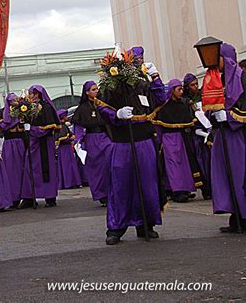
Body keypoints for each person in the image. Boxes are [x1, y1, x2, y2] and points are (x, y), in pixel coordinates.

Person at [96, 46, 167, 245]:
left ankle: (146, 224)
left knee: (147, 183)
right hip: (122, 142)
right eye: (134, 59)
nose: (138, 62)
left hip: (144, 140)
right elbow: (102, 107)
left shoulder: (145, 84)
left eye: (140, 59)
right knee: (121, 185)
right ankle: (116, 227)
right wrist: (116, 114)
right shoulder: (112, 85)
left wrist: (156, 77)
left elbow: (160, 100)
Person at [209, 44, 246, 233]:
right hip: (224, 136)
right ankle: (237, 217)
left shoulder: (245, 79)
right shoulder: (217, 80)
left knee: (243, 176)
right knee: (228, 176)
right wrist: (214, 114)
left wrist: (228, 116)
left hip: (241, 138)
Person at [153, 79, 208, 203]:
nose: (181, 92)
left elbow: (190, 121)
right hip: (169, 139)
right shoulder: (164, 107)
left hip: (183, 138)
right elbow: (159, 125)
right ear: (172, 91)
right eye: (179, 89)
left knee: (185, 165)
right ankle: (177, 191)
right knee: (174, 166)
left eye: (182, 89)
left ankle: (186, 189)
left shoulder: (184, 105)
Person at [72, 81, 113, 205]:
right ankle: (102, 194)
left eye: (97, 89)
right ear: (87, 92)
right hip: (92, 139)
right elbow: (78, 127)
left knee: (110, 163)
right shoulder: (82, 108)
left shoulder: (102, 105)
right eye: (93, 89)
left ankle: (113, 192)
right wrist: (78, 143)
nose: (96, 91)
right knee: (97, 168)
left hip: (105, 137)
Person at [20, 85, 61, 208]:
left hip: (44, 144)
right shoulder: (29, 107)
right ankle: (29, 197)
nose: (30, 95)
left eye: (31, 93)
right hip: (33, 144)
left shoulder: (46, 107)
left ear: (37, 94)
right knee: (29, 168)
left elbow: (49, 127)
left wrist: (31, 129)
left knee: (46, 169)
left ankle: (50, 197)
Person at [183, 73, 212, 199]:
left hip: (207, 132)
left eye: (196, 84)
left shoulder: (202, 95)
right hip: (195, 135)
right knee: (200, 162)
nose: (195, 87)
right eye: (192, 85)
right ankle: (205, 188)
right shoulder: (185, 101)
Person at [0, 93, 26, 209]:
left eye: (16, 100)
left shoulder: (22, 111)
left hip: (21, 143)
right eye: (12, 101)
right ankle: (13, 198)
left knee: (23, 169)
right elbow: (1, 129)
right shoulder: (2, 114)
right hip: (9, 145)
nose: (15, 102)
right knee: (11, 172)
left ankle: (27, 196)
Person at [55, 109, 82, 189]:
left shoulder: (63, 125)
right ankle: (68, 183)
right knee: (67, 166)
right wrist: (71, 138)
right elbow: (62, 139)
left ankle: (70, 182)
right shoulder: (62, 126)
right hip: (64, 149)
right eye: (66, 116)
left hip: (66, 149)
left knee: (68, 166)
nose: (67, 117)